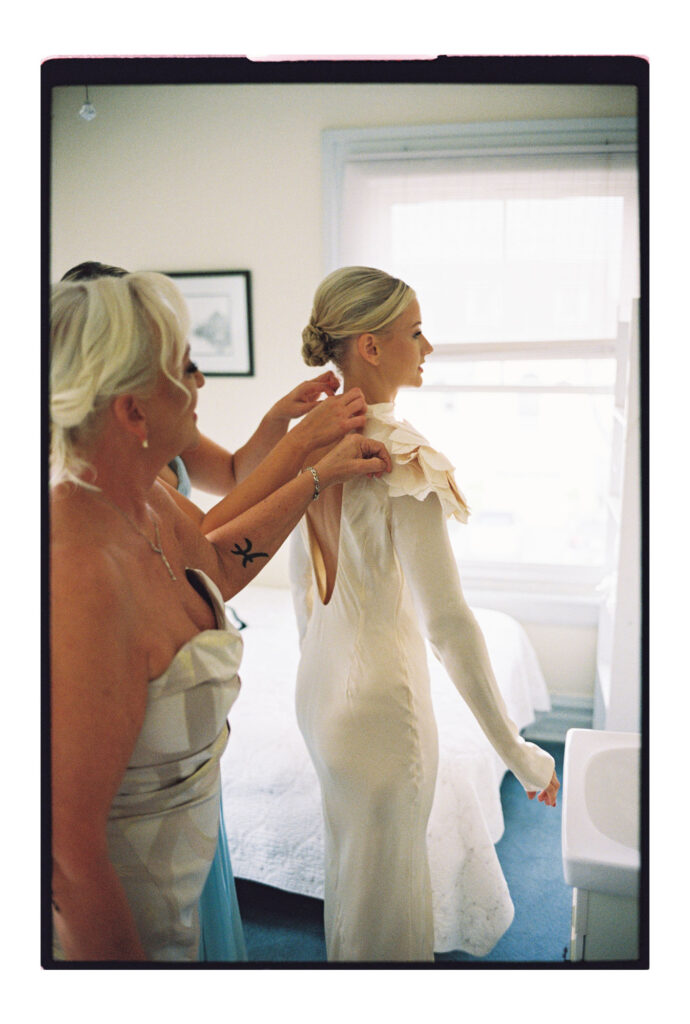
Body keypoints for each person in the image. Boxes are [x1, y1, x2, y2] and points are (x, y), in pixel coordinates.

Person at [50, 270, 391, 962]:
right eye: (185, 368)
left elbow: (216, 563)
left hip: (190, 858)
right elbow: (70, 856)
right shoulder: (76, 573)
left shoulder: (150, 501)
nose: (200, 383)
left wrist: (319, 475)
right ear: (133, 412)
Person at [289, 266, 560, 962]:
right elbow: (448, 625)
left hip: (320, 695)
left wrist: (321, 677)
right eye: (415, 333)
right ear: (372, 347)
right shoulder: (398, 454)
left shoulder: (308, 439)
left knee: (353, 886)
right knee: (388, 915)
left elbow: (303, 590)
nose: (428, 348)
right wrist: (520, 753)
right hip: (382, 710)